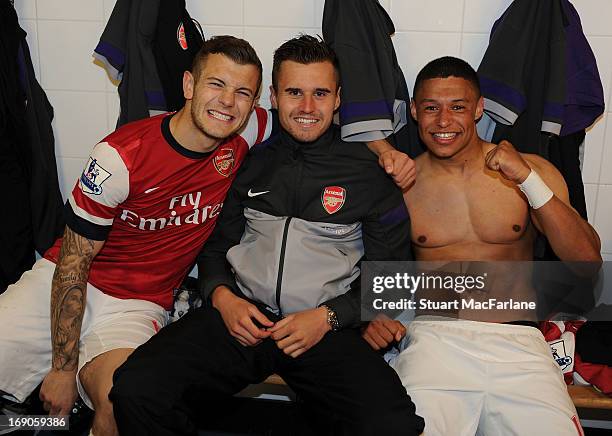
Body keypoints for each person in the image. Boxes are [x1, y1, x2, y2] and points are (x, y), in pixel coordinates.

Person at [110, 35, 425, 436]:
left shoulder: (370, 173)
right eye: (294, 92)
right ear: (274, 97)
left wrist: (329, 317)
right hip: (243, 319)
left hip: (323, 329)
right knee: (137, 389)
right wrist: (222, 297)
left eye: (320, 93)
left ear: (338, 98)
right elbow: (214, 248)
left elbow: (393, 278)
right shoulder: (245, 160)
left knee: (392, 425)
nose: (307, 108)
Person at [0, 35, 274, 436]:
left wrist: (386, 153)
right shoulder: (119, 156)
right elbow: (75, 262)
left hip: (138, 305)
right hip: (68, 281)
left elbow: (306, 113)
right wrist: (64, 367)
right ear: (189, 85)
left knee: (121, 402)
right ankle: (38, 424)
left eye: (243, 92)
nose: (228, 102)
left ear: (253, 104)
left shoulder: (241, 137)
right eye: (216, 84)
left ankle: (64, 421)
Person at [362, 56, 602, 436]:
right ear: (413, 112)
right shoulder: (401, 182)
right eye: (431, 108)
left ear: (478, 109)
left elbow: (586, 261)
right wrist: (375, 315)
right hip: (435, 342)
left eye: (457, 107)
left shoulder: (531, 170)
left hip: (520, 342)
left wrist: (526, 180)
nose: (443, 122)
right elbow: (372, 262)